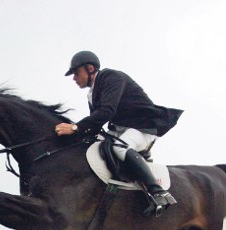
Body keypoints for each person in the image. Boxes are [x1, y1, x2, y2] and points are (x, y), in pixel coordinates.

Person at [55, 51, 183, 217]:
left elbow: (106, 111)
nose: (74, 78)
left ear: (90, 68)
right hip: (122, 129)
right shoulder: (91, 94)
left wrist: (74, 128)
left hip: (144, 126)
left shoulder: (111, 77)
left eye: (76, 72)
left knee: (118, 147)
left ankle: (158, 192)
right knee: (92, 146)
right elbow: (95, 125)